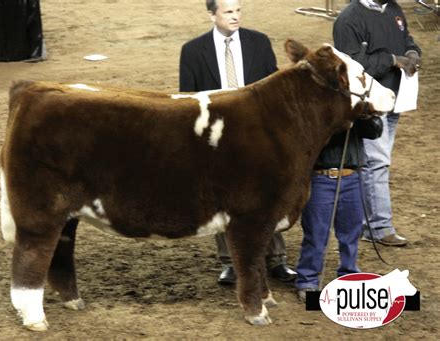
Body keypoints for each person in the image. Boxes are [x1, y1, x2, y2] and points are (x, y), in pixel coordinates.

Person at [179, 0, 296, 284]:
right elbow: (188, 99)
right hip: (219, 138)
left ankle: (276, 259)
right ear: (211, 15)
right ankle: (230, 262)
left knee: (267, 195)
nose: (235, 17)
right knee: (223, 198)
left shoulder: (259, 42)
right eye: (228, 12)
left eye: (238, 11)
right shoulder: (193, 51)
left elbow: (274, 88)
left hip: (258, 135)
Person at [333, 0, 421, 246]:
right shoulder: (349, 19)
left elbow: (407, 39)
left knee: (375, 162)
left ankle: (365, 223)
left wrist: (413, 52)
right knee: (377, 162)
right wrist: (392, 60)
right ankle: (379, 226)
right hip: (370, 103)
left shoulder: (393, 9)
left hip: (395, 98)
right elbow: (351, 67)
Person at [296, 117, 384, 302]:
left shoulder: (358, 110)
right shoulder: (319, 109)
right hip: (320, 177)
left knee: (351, 231)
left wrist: (358, 117)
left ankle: (349, 273)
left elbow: (375, 130)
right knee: (316, 232)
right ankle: (308, 279)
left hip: (352, 176)